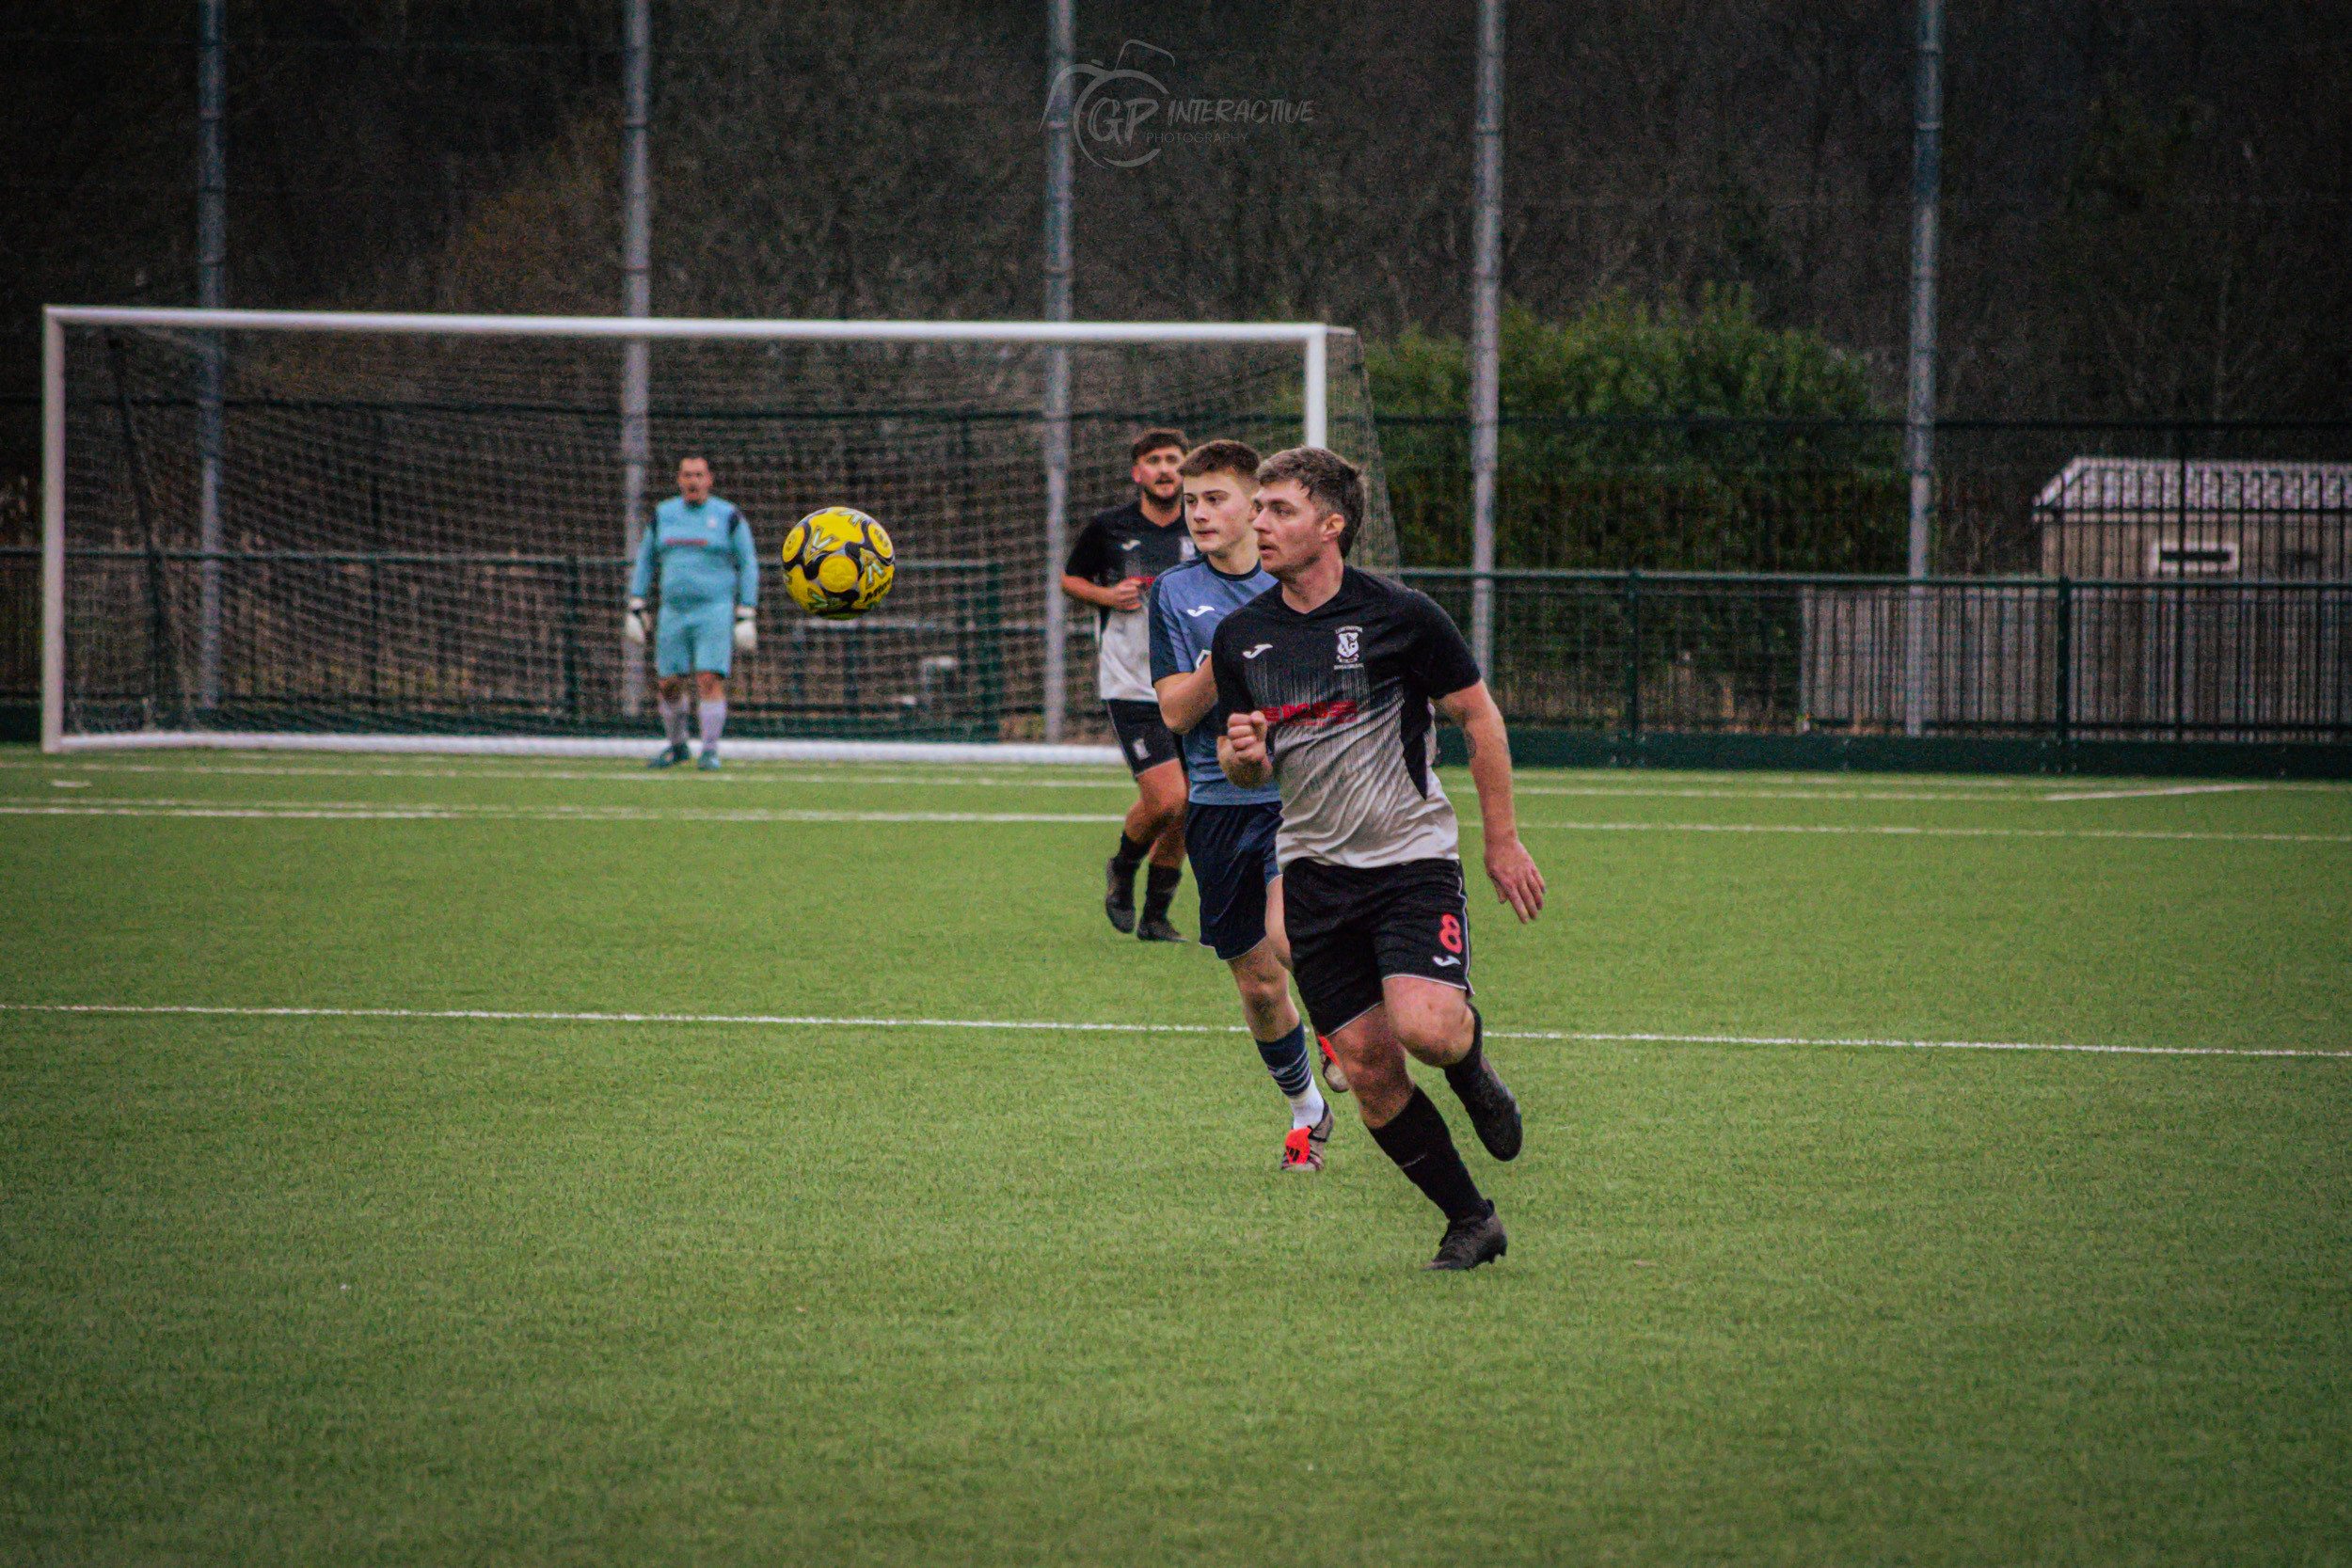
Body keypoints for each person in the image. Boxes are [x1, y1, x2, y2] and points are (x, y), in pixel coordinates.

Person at [1212, 447, 1547, 1271]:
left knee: (1426, 1031)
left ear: (1331, 525)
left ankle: (1471, 1067)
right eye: (1258, 509)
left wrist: (1501, 839)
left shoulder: (1402, 614)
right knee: (1367, 1066)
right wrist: (1246, 754)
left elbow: (1480, 718)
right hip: (1316, 872)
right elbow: (1243, 762)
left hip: (1409, 859)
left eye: (1279, 510)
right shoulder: (1241, 635)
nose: (1260, 523)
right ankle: (1471, 1219)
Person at [1150, 439, 1344, 1172]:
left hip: (1296, 795)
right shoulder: (1174, 593)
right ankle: (1307, 1111)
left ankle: (1344, 1028)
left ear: (1255, 507)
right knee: (1260, 986)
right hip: (1215, 802)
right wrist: (1223, 656)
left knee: (1289, 932)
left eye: (1216, 499)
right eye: (1191, 501)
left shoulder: (1298, 584)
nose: (1199, 512)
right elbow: (1172, 712)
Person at [1061, 428, 1196, 941]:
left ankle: (1156, 916)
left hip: (1191, 685)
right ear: (1138, 472)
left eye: (1174, 460)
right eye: (1154, 460)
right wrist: (1106, 595)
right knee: (1166, 800)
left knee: (1192, 805)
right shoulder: (1109, 528)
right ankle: (1123, 867)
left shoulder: (1201, 527)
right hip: (1131, 683)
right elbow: (1070, 580)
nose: (1165, 469)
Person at [625, 455, 759, 770]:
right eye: (687, 475)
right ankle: (677, 746)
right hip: (673, 612)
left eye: (698, 475)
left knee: (708, 678)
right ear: (678, 479)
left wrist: (747, 610)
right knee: (668, 683)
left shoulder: (728, 516)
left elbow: (748, 562)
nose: (692, 481)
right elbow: (645, 561)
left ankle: (710, 750)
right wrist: (636, 603)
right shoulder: (664, 514)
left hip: (714, 610)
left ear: (709, 479)